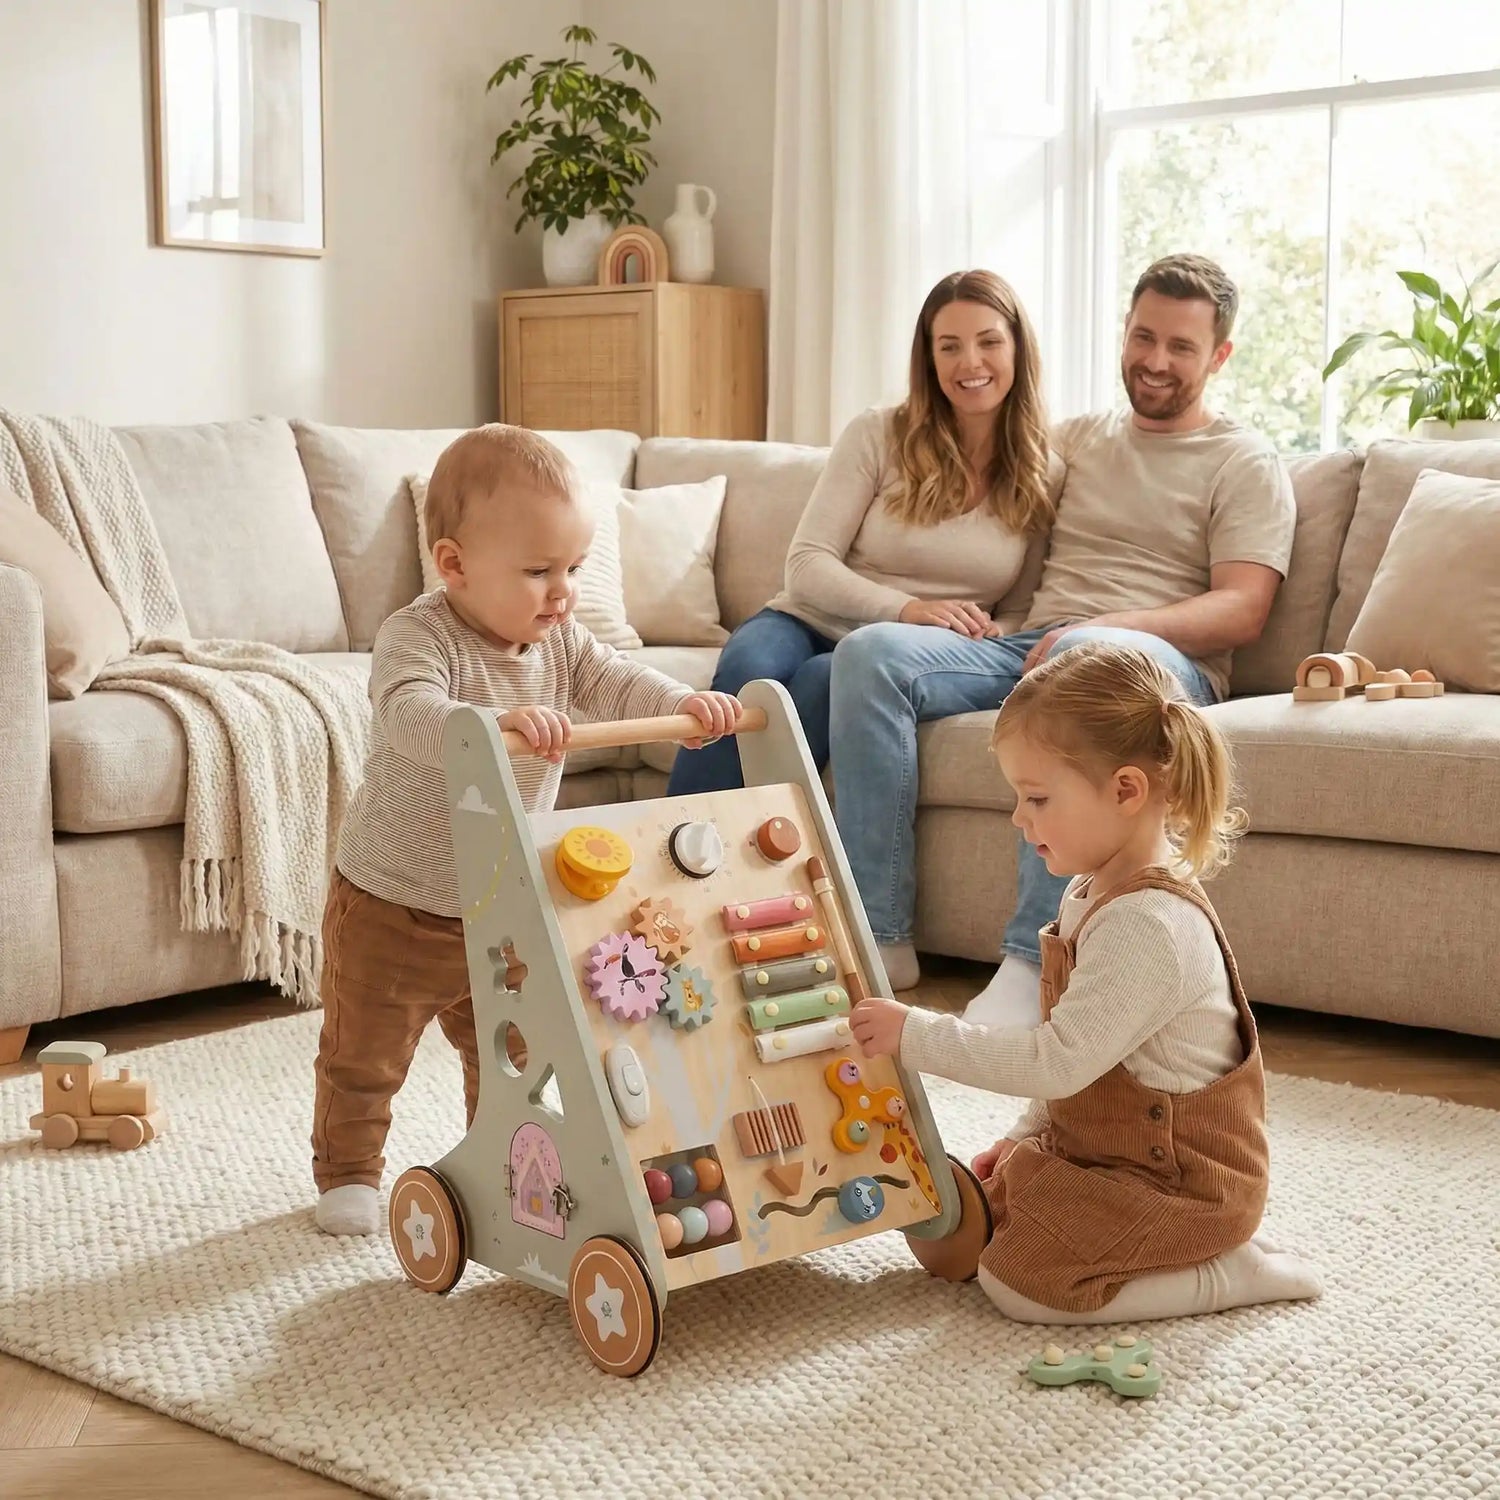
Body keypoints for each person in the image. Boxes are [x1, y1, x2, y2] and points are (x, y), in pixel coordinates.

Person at [312, 425, 741, 1236]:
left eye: (573, 569)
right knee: (364, 1058)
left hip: (499, 909)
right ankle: (349, 1172)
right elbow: (407, 714)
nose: (562, 592)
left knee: (511, 1056)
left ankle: (501, 1160)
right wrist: (489, 722)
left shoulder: (563, 644)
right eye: (539, 572)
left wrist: (682, 708)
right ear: (454, 565)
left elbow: (616, 682)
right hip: (394, 904)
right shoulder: (420, 636)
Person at [830, 253, 1296, 998]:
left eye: (1181, 346)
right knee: (870, 653)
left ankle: (1032, 966)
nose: (1155, 360)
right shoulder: (1077, 439)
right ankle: (880, 938)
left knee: (1082, 652)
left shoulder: (1241, 460)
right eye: (1144, 337)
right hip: (1037, 646)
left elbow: (1243, 608)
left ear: (1220, 355)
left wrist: (1109, 626)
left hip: (1157, 671)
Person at [850, 643, 1322, 1322]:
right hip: (1110, 1149)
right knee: (1000, 1209)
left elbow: (1057, 1062)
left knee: (1022, 1283)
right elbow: (1082, 1060)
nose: (1019, 818)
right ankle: (1076, 1204)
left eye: (1037, 797)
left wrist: (915, 1036)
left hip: (1182, 1183)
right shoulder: (1090, 893)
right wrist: (1022, 1137)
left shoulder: (1148, 926)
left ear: (1126, 790)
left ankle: (1222, 1271)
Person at [665, 268, 1053, 798]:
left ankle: (741, 854)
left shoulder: (1041, 469)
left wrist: (988, 634)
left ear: (1017, 350)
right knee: (750, 670)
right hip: (804, 619)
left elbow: (1020, 605)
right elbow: (806, 564)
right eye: (949, 346)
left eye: (989, 342)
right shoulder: (880, 433)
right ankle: (672, 842)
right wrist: (908, 607)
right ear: (929, 358)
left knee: (824, 683)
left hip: (896, 653)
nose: (970, 363)